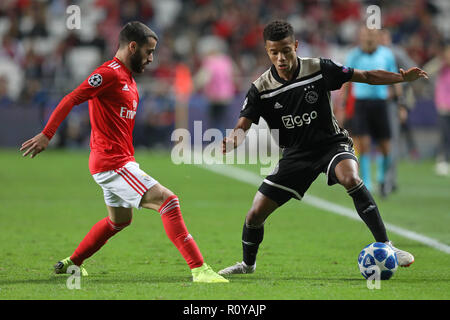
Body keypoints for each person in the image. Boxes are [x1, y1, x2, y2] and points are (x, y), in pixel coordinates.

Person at [20, 21, 228, 283]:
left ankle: (72, 263)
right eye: (148, 51)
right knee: (168, 201)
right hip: (112, 163)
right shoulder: (108, 74)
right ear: (132, 46)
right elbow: (72, 97)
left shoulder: (128, 79)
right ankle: (200, 270)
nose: (151, 58)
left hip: (115, 162)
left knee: (118, 221)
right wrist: (47, 134)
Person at [218, 20, 427, 276]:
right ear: (267, 51)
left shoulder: (319, 68)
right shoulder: (261, 88)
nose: (281, 57)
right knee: (254, 214)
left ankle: (386, 245)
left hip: (331, 144)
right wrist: (233, 140)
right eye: (274, 52)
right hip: (295, 155)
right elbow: (243, 125)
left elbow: (366, 76)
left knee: (350, 177)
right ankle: (247, 266)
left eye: (286, 50)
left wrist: (402, 78)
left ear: (295, 45)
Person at [342, 26, 403, 197]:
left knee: (385, 146)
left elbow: (395, 78)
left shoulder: (386, 54)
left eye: (372, 35)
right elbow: (347, 80)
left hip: (381, 104)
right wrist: (343, 104)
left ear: (378, 37)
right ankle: (367, 183)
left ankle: (382, 179)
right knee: (364, 144)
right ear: (360, 37)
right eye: (366, 35)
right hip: (361, 104)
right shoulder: (353, 54)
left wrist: (400, 104)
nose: (369, 38)